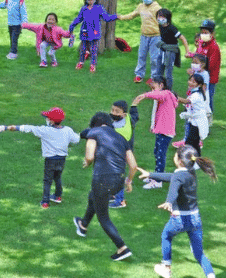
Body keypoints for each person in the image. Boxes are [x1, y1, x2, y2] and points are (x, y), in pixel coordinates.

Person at [140, 145, 223, 278]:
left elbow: (173, 190)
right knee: (199, 253)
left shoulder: (179, 175)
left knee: (166, 235)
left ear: (178, 160)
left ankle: (166, 266)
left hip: (180, 219)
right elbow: (172, 177)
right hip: (195, 219)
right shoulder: (190, 172)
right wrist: (150, 174)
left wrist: (168, 202)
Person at [72, 112, 138, 261]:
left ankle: (122, 248)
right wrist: (129, 181)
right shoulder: (121, 138)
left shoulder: (94, 132)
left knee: (104, 217)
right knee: (94, 197)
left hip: (102, 179)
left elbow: (89, 155)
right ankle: (83, 225)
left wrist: (88, 162)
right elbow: (133, 166)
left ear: (95, 124)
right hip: (118, 182)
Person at [12, 107, 80, 208]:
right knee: (57, 177)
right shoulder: (68, 130)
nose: (46, 119)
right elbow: (77, 139)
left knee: (47, 180)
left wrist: (17, 127)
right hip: (62, 159)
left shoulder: (45, 130)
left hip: (50, 160)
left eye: (47, 118)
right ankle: (57, 196)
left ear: (52, 121)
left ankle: (45, 201)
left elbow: (30, 128)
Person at [132, 76, 178, 189]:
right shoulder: (164, 96)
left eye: (154, 86)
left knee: (160, 155)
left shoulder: (166, 94)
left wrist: (145, 95)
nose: (152, 89)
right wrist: (154, 126)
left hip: (165, 132)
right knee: (157, 153)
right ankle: (155, 176)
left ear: (161, 85)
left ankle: (158, 181)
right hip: (161, 130)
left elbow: (158, 95)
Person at [118, 0, 161, 83]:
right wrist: (120, 17)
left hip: (156, 37)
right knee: (141, 55)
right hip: (144, 36)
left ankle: (154, 77)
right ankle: (139, 75)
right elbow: (132, 15)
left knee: (154, 58)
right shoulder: (140, 6)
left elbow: (163, 21)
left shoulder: (157, 8)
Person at [68, 0, 118, 73]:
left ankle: (92, 65)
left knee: (93, 50)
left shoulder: (99, 8)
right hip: (85, 32)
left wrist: (116, 16)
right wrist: (72, 25)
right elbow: (79, 19)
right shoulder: (84, 8)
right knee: (83, 49)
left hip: (94, 33)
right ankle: (81, 62)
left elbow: (106, 18)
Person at [109, 100, 140, 208]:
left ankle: (120, 201)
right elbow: (135, 115)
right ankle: (112, 195)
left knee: (117, 176)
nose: (113, 113)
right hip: (123, 152)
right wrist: (134, 105)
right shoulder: (129, 118)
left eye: (117, 111)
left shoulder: (118, 129)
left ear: (124, 114)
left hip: (120, 155)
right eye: (112, 110)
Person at [188, 19, 221, 113]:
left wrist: (198, 67)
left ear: (212, 33)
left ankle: (208, 116)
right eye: (202, 32)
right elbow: (197, 56)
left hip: (209, 78)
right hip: (199, 75)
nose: (203, 34)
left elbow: (211, 65)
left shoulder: (214, 47)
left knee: (207, 97)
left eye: (206, 32)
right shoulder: (202, 44)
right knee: (197, 95)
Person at [156, 8, 190, 92]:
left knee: (168, 73)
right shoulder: (160, 26)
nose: (160, 18)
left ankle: (168, 91)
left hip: (170, 51)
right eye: (159, 16)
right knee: (159, 70)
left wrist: (187, 51)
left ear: (167, 18)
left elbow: (182, 38)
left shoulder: (172, 28)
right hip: (162, 49)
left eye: (162, 16)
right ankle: (158, 88)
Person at [178, 73, 210, 152]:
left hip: (197, 123)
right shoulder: (194, 92)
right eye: (190, 80)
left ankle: (192, 159)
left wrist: (173, 96)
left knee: (190, 143)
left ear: (199, 85)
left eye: (194, 82)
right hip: (194, 121)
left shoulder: (196, 95)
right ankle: (197, 160)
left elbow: (186, 101)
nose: (190, 83)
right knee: (194, 144)